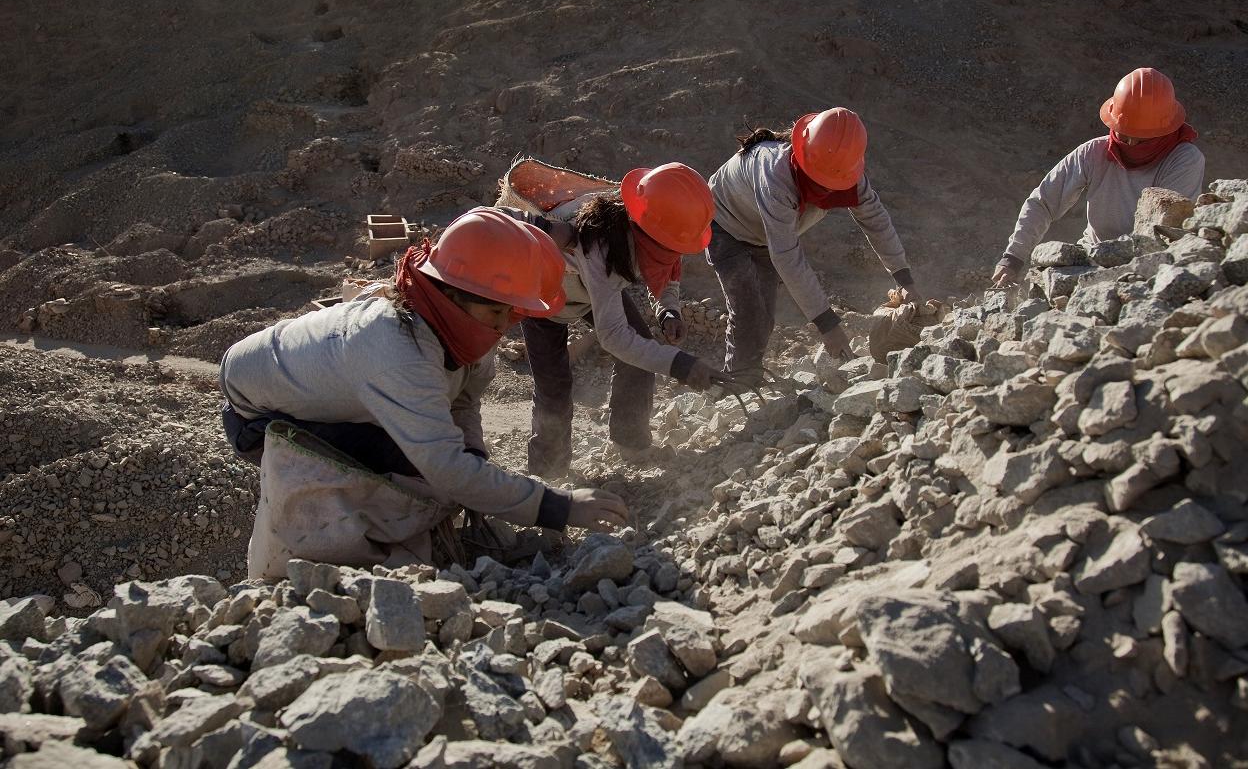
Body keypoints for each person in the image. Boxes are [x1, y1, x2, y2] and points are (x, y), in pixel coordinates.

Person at [219, 207, 628, 578]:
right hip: (257, 414)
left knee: (444, 467)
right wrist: (561, 507)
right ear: (450, 294)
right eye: (496, 312)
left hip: (326, 390)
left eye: (512, 314)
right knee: (414, 474)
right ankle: (325, 568)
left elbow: (464, 402)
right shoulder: (395, 347)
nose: (503, 327)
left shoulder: (464, 328)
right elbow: (445, 466)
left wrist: (476, 460)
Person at [502, 162, 731, 478]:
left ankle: (631, 442)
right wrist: (681, 366)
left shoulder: (658, 221)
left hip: (589, 290)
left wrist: (669, 310)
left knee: (640, 356)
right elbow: (614, 338)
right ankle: (547, 474)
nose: (674, 251)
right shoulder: (602, 241)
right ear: (648, 231)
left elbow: (668, 273)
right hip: (545, 294)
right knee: (554, 387)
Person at [706, 107, 919, 381]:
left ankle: (746, 374)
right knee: (748, 310)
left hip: (764, 233)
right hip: (726, 224)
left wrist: (905, 280)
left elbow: (876, 220)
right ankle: (737, 384)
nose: (829, 189)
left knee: (764, 315)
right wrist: (828, 325)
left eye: (834, 183)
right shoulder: (775, 174)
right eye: (822, 182)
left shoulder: (847, 173)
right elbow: (786, 255)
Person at [992, 67, 1204, 286]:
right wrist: (1013, 257)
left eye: (1141, 140)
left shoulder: (1184, 160)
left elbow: (1162, 232)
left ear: (1164, 130)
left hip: (1151, 268)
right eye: (1124, 136)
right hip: (1092, 256)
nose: (1130, 145)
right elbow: (1043, 202)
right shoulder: (1094, 152)